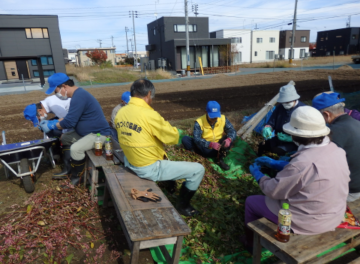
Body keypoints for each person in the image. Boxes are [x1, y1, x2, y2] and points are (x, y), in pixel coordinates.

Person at [244, 106, 350, 253]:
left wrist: (260, 176)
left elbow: (273, 190)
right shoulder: (337, 150)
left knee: (251, 202)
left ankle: (250, 244)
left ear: (295, 135)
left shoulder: (302, 163)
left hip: (310, 223)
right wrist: (278, 164)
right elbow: (309, 173)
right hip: (335, 214)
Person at [114, 79, 205, 216]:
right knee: (198, 170)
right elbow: (172, 138)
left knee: (161, 154)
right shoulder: (149, 115)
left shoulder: (120, 112)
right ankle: (183, 206)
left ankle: (170, 185)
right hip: (147, 167)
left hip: (130, 160)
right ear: (148, 94)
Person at [39, 73, 111, 185]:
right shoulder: (77, 96)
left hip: (98, 134)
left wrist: (51, 126)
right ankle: (69, 168)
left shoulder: (79, 97)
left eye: (56, 91)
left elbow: (69, 122)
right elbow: (69, 117)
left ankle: (77, 178)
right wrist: (53, 121)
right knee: (65, 138)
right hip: (86, 132)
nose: (56, 94)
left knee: (75, 149)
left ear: (64, 86)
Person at [313, 92, 360, 202]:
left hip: (350, 189)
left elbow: (319, 165)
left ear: (327, 114)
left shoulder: (335, 132)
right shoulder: (355, 122)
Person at [181, 101, 236, 170]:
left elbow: (232, 131)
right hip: (205, 147)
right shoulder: (199, 122)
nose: (214, 118)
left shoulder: (223, 119)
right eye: (212, 117)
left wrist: (229, 139)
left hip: (219, 147)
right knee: (185, 139)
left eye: (216, 116)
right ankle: (198, 154)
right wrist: (210, 144)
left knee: (228, 138)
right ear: (206, 112)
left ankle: (220, 159)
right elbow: (197, 139)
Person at [258, 83, 305, 156]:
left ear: (294, 99)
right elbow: (271, 122)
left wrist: (292, 138)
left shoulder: (303, 110)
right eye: (283, 102)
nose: (285, 104)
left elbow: (307, 134)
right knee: (262, 146)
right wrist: (267, 127)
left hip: (295, 143)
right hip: (278, 138)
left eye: (287, 102)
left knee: (279, 150)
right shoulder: (279, 108)